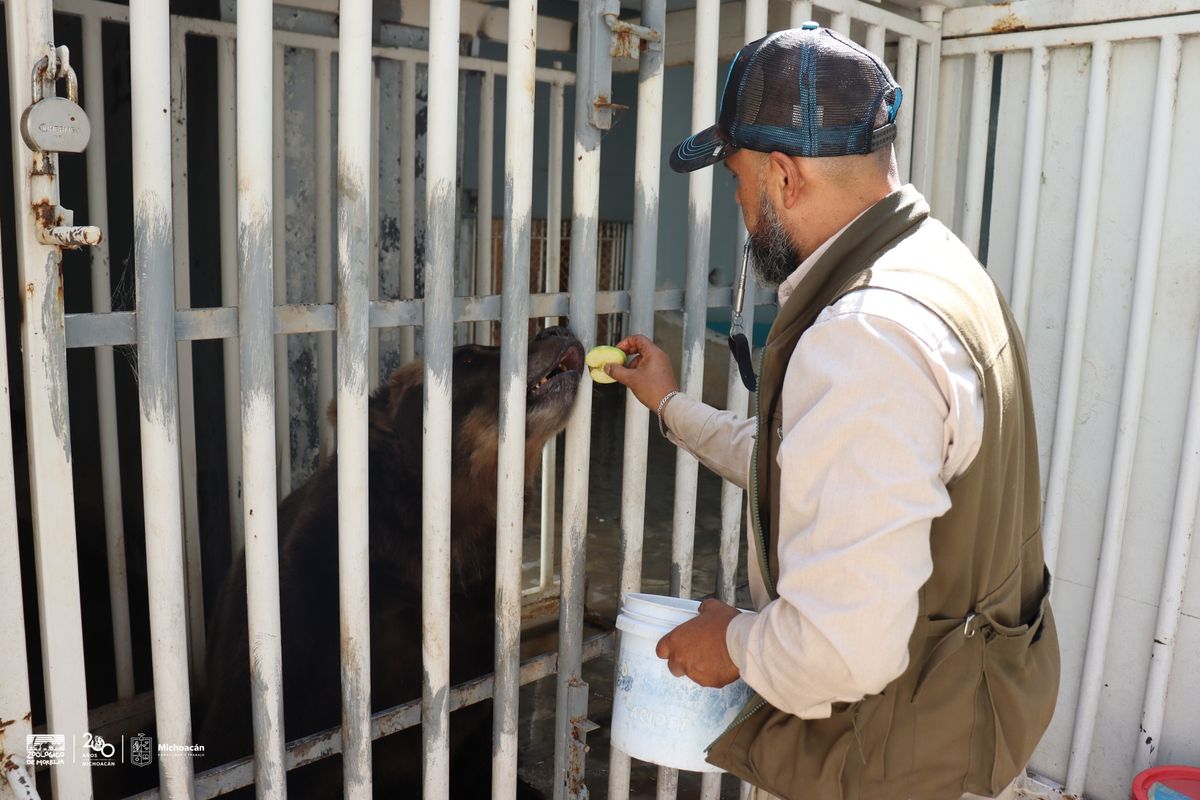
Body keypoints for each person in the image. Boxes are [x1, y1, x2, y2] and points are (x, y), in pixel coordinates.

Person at [604, 24, 1060, 800]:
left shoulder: (864, 336)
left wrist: (736, 644)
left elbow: (840, 649)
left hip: (897, 754)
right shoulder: (937, 267)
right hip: (968, 709)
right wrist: (673, 406)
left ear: (783, 176)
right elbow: (816, 461)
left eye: (740, 184)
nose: (743, 208)